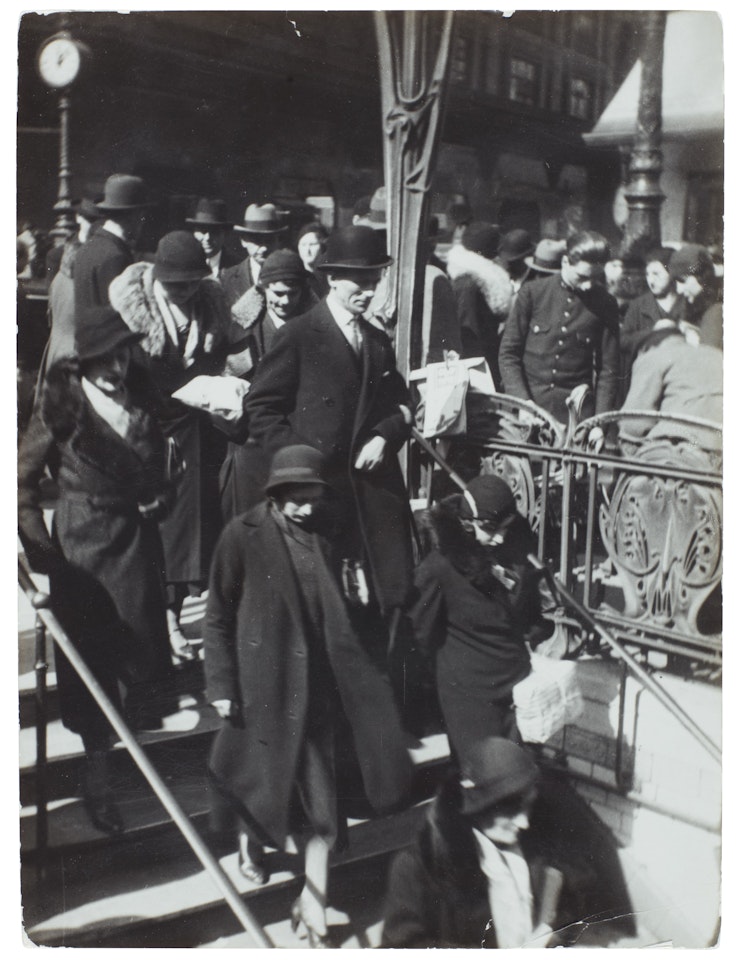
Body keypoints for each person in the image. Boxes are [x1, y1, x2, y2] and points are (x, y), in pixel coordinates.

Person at [204, 445, 412, 946]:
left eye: (312, 497)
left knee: (324, 813)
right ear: (274, 494)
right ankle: (251, 843)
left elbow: (343, 602)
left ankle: (312, 904)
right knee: (262, 787)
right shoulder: (242, 536)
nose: (305, 508)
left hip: (321, 692)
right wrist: (222, 685)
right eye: (294, 499)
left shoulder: (331, 530)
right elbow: (217, 616)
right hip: (265, 687)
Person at [18, 307, 176, 835]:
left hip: (135, 544)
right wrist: (43, 555)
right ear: (81, 363)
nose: (115, 366)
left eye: (122, 354)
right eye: (102, 359)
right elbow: (18, 485)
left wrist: (161, 499)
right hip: (82, 553)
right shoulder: (60, 408)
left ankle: (119, 762)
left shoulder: (143, 401)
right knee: (93, 672)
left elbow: (160, 471)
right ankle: (99, 779)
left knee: (137, 662)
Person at [244, 225, 416, 623]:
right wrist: (299, 468)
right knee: (327, 607)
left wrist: (384, 436)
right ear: (333, 278)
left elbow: (402, 401)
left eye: (375, 281)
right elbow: (261, 409)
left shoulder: (376, 339)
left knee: (388, 599)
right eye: (361, 282)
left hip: (375, 492)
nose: (370, 292)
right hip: (321, 496)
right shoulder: (299, 335)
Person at [382, 736, 634, 948]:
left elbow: (576, 895)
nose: (524, 822)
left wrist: (551, 931)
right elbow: (402, 946)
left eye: (528, 807)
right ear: (479, 807)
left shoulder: (540, 832)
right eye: (512, 811)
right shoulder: (421, 866)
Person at [109, 230, 232, 661]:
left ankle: (178, 613)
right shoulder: (130, 317)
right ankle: (163, 624)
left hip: (197, 439)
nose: (182, 293)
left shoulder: (211, 310)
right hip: (150, 438)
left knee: (192, 539)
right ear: (157, 280)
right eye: (173, 285)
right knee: (157, 536)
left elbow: (218, 361)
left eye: (190, 284)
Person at [408, 476, 546, 761]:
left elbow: (527, 612)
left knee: (520, 772)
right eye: (490, 529)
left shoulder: (513, 555)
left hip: (516, 687)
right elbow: (418, 633)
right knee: (485, 779)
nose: (500, 538)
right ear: (466, 522)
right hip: (470, 696)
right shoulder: (440, 568)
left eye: (505, 529)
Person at [220, 250, 318, 520]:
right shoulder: (243, 329)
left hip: (297, 438)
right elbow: (229, 376)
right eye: (277, 294)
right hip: (249, 446)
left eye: (292, 293)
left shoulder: (314, 329)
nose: (284, 301)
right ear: (263, 291)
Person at [499, 230, 620, 431]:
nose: (589, 285)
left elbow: (608, 370)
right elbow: (508, 353)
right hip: (526, 411)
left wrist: (598, 424)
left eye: (595, 277)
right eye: (582, 276)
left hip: (574, 418)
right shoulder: (532, 293)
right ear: (565, 262)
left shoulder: (606, 303)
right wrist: (523, 402)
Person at [621, 326, 722, 451]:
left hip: (681, 448)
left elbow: (634, 425)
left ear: (644, 348)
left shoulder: (654, 355)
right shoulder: (716, 355)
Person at [446, 221, 513, 389]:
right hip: (476, 364)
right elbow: (468, 331)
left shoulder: (475, 280)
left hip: (483, 356)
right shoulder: (470, 284)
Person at [73, 174, 151, 315]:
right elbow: (122, 314)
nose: (142, 222)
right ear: (135, 215)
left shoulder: (87, 247)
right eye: (142, 216)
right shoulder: (116, 256)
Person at [618, 247, 686, 403]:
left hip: (677, 379)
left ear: (672, 273)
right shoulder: (638, 305)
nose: (651, 280)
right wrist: (654, 333)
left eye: (656, 274)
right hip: (646, 381)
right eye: (648, 274)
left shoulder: (686, 304)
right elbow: (623, 340)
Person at [220, 202, 288, 307]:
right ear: (243, 241)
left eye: (269, 241)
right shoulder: (227, 278)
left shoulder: (292, 277)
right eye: (257, 241)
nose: (264, 248)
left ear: (278, 241)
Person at [668, 244, 723, 350]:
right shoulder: (682, 302)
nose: (679, 289)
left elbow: (709, 354)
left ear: (700, 277)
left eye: (683, 281)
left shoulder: (717, 309)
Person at [185, 197, 246, 283]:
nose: (207, 238)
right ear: (194, 232)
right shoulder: (184, 263)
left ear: (224, 234)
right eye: (202, 231)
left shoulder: (238, 267)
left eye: (214, 232)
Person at [497, 228, 536, 305]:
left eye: (512, 262)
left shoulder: (535, 282)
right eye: (504, 261)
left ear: (527, 258)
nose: (506, 267)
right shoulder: (500, 277)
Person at [296, 221, 330, 298]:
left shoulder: (328, 278)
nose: (307, 250)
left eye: (312, 244)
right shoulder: (297, 277)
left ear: (322, 247)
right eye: (303, 245)